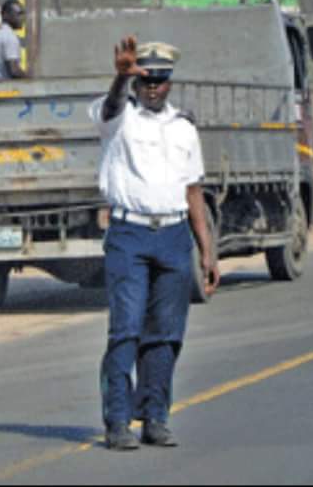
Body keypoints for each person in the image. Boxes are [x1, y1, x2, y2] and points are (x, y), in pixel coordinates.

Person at [90, 36, 220, 450]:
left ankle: (156, 418)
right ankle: (116, 422)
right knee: (126, 329)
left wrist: (208, 252)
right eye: (144, 79)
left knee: (165, 335)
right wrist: (118, 78)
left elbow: (194, 191)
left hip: (174, 236)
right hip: (129, 235)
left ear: (169, 83)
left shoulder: (183, 128)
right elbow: (109, 107)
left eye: (159, 80)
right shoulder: (118, 118)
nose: (151, 87)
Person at [0, 0, 27, 81]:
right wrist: (32, 79)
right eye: (18, 14)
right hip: (6, 91)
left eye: (22, 14)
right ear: (6, 15)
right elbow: (14, 71)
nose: (22, 18)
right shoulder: (10, 37)